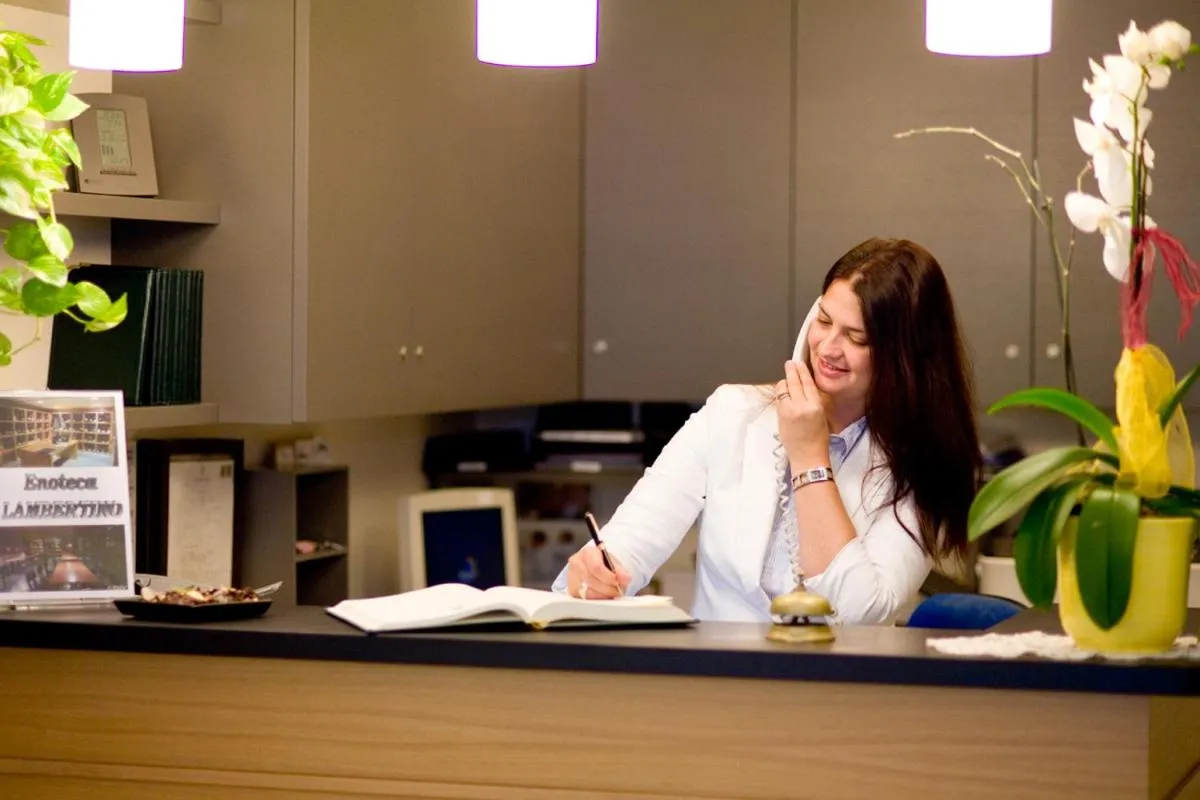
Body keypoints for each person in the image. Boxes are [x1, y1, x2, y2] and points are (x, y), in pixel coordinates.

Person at [551, 237, 982, 625]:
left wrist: (810, 457)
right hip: (718, 686)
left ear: (905, 357)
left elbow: (857, 611)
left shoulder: (926, 466)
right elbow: (631, 539)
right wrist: (597, 572)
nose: (828, 348)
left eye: (857, 338)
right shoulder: (733, 413)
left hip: (839, 696)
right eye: (824, 321)